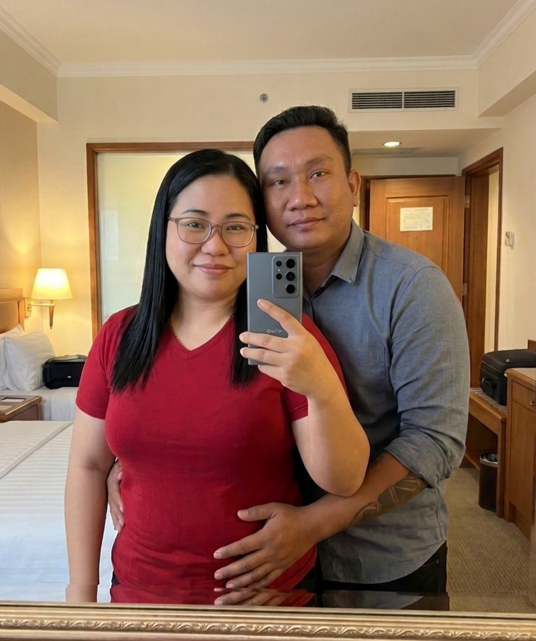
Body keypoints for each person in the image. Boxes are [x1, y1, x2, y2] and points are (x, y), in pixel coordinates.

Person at [109, 107, 470, 609]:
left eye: (318, 174)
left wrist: (311, 525)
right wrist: (132, 460)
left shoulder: (412, 288)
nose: (300, 197)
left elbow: (435, 441)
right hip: (270, 563)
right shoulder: (250, 285)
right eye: (278, 181)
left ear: (353, 185)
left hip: (379, 558)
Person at [64, 149, 370, 605]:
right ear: (163, 229)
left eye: (236, 227)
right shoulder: (119, 335)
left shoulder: (285, 335)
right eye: (194, 224)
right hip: (138, 599)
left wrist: (321, 387)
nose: (215, 246)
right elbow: (88, 466)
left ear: (256, 237)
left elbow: (342, 480)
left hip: (262, 603)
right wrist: (80, 593)